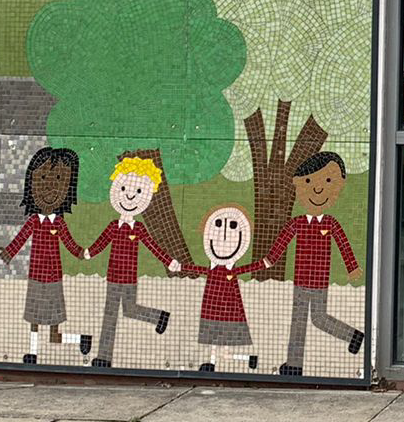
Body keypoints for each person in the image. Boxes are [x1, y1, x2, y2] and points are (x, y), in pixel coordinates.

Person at [79, 148, 192, 368]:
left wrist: (168, 261)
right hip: (114, 277)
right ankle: (104, 357)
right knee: (111, 314)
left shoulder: (138, 229)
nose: (129, 196)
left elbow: (153, 246)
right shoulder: (114, 226)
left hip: (129, 277)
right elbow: (101, 242)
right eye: (123, 188)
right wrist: (88, 252)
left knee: (129, 309)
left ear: (147, 196)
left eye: (138, 191)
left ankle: (158, 317)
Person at [261, 151, 365, 376]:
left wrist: (352, 266)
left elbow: (343, 244)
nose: (318, 189)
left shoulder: (330, 223)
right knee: (298, 320)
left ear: (338, 186)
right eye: (308, 182)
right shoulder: (297, 223)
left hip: (319, 280)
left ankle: (353, 335)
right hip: (301, 279)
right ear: (299, 186)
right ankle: (294, 365)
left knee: (318, 318)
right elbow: (281, 243)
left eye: (327, 181)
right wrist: (269, 260)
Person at [0, 147, 84, 363]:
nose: (49, 187)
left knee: (55, 322)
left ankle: (79, 339)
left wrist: (82, 253)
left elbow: (70, 243)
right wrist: (8, 253)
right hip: (36, 275)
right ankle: (33, 351)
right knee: (34, 316)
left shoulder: (59, 223)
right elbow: (20, 238)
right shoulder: (34, 221)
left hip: (54, 275)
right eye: (43, 179)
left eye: (58, 179)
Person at [178, 206, 270, 373]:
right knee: (219, 345)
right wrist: (181, 267)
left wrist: (264, 263)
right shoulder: (214, 270)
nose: (224, 236)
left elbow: (246, 268)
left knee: (219, 342)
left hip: (227, 308)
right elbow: (199, 269)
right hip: (213, 306)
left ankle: (215, 363)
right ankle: (241, 359)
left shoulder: (230, 271)